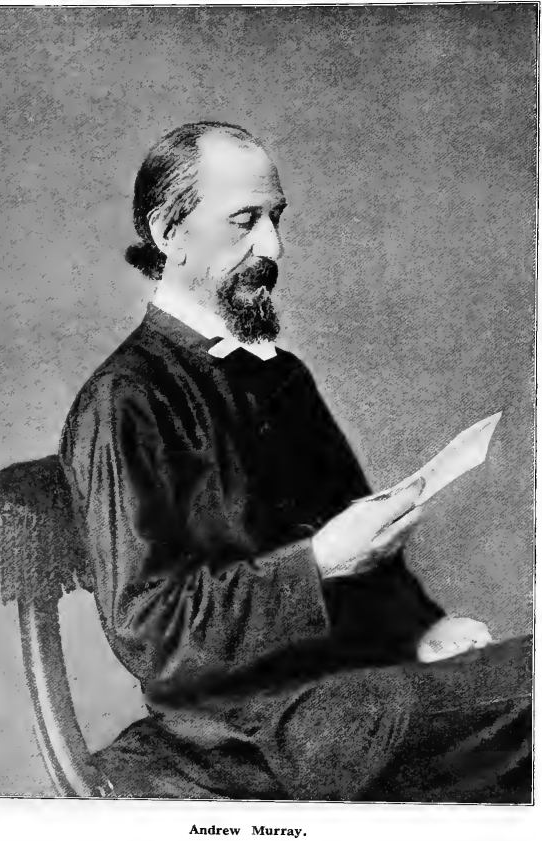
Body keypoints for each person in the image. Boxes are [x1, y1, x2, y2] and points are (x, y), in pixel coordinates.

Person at [59, 121, 531, 801]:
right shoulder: (125, 398)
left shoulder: (283, 376)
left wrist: (423, 630)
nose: (272, 247)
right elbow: (152, 634)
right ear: (167, 232)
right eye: (244, 221)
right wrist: (318, 561)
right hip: (254, 736)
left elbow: (365, 552)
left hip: (353, 694)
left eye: (275, 219)